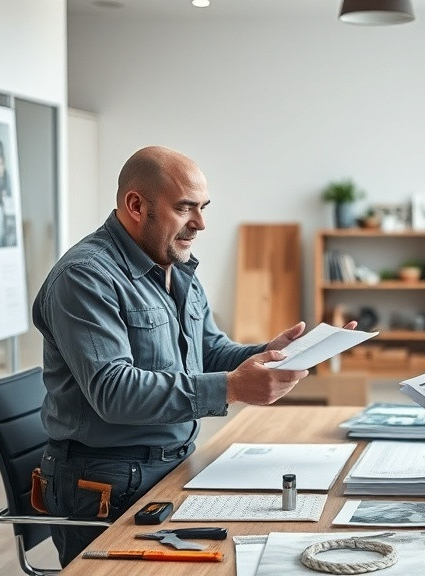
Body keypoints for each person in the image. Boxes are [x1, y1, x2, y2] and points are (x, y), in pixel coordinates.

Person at [33, 145, 332, 566]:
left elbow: (208, 351)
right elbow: (113, 391)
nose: (200, 223)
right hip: (107, 484)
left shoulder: (174, 265)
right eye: (184, 208)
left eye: (202, 208)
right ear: (136, 206)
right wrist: (232, 388)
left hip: (176, 465)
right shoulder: (85, 276)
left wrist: (268, 355)